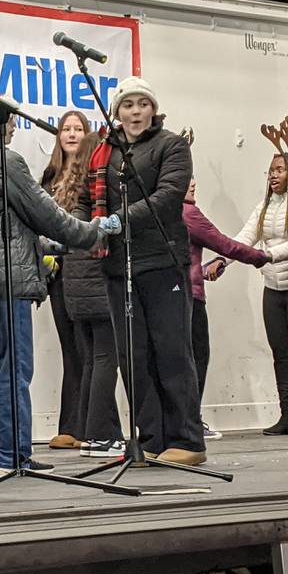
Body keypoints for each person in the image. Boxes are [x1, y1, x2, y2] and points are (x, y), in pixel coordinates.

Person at [0, 90, 119, 476]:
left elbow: (7, 226)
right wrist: (93, 233)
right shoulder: (5, 162)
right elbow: (46, 214)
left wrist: (53, 247)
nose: (17, 129)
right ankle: (13, 457)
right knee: (14, 370)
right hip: (8, 280)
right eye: (13, 123)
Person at [83, 76, 205, 465]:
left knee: (171, 352)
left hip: (162, 263)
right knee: (132, 357)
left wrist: (118, 220)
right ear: (117, 111)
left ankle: (187, 440)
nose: (135, 112)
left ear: (153, 109)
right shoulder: (107, 153)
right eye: (127, 105)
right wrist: (80, 231)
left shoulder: (171, 145)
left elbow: (168, 197)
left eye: (142, 104)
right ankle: (151, 438)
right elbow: (89, 202)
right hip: (119, 268)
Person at [209, 117, 288, 437]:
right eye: (270, 171)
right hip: (274, 286)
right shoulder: (264, 206)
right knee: (282, 353)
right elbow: (245, 237)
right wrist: (223, 259)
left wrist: (271, 255)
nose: (273, 175)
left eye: (279, 170)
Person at [183, 175, 269, 440]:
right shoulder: (188, 213)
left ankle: (179, 422)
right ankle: (191, 423)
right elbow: (224, 243)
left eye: (195, 177)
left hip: (168, 297)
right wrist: (260, 257)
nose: (194, 182)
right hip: (191, 297)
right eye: (187, 178)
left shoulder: (160, 210)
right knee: (196, 358)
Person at [56, 132, 124, 457]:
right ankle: (100, 436)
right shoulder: (102, 193)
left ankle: (91, 432)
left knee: (89, 362)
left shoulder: (65, 193)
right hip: (99, 285)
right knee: (106, 359)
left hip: (74, 289)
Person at [40, 111, 90, 450]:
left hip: (85, 271)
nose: (71, 134)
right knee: (70, 350)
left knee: (90, 350)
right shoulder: (49, 175)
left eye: (78, 129)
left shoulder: (90, 173)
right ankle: (70, 425)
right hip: (56, 273)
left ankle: (89, 423)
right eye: (66, 129)